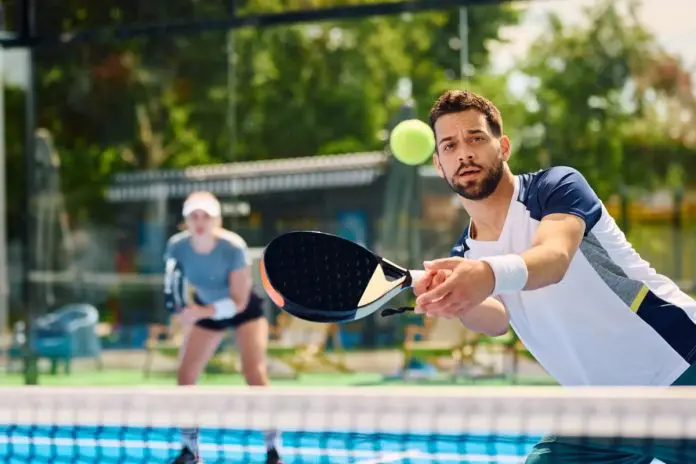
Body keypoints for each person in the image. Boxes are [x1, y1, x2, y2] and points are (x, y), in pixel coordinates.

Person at [412, 89, 696, 464]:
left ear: (504, 146)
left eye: (476, 138)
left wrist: (485, 275)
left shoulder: (555, 187)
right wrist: (450, 298)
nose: (463, 153)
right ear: (439, 164)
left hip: (678, 372)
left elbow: (554, 257)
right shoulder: (464, 252)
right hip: (598, 412)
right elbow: (496, 320)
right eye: (449, 146)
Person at [163, 191, 282, 464]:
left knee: (254, 374)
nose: (200, 221)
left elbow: (238, 303)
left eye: (206, 215)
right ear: (186, 221)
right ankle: (190, 451)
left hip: (244, 311)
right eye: (194, 216)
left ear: (217, 219)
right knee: (185, 375)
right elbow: (174, 286)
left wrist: (198, 312)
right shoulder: (176, 247)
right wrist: (182, 311)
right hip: (204, 308)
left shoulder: (233, 247)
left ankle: (274, 450)